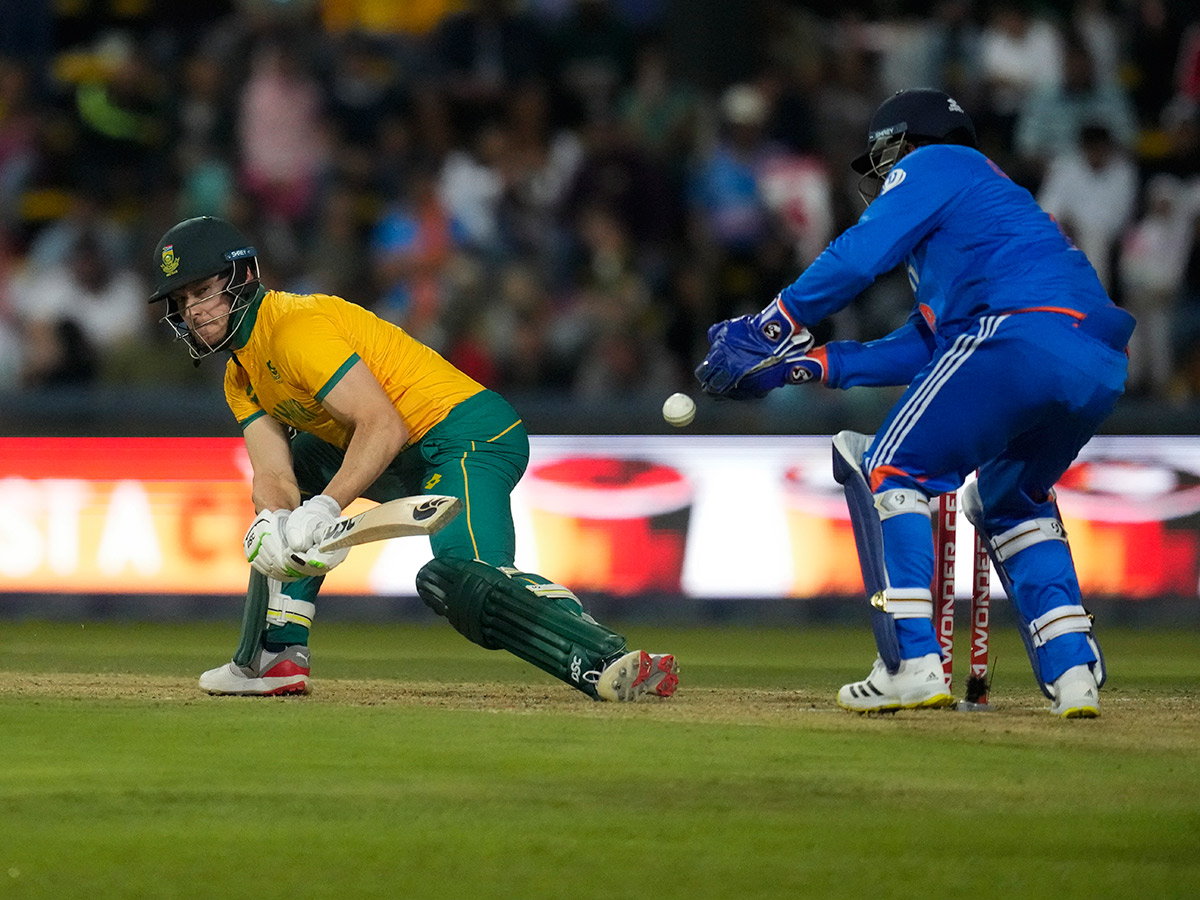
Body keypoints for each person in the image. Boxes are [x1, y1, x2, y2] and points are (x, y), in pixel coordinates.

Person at [695, 89, 1133, 719]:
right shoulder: (987, 215)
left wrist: (773, 324)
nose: (880, 179)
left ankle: (911, 663)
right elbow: (925, 345)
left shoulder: (940, 165)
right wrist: (802, 365)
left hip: (1015, 335)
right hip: (1093, 360)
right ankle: (1073, 673)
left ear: (903, 142)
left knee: (890, 466)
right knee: (1011, 499)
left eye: (882, 161)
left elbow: (859, 253)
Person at [147, 215, 678, 702]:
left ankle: (604, 655)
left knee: (457, 578)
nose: (193, 310)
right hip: (400, 453)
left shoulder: (294, 330)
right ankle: (274, 656)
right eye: (182, 300)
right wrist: (274, 521)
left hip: (464, 433)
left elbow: (382, 423)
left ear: (240, 277)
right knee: (294, 489)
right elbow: (275, 472)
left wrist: (327, 508)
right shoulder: (239, 376)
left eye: (202, 291)